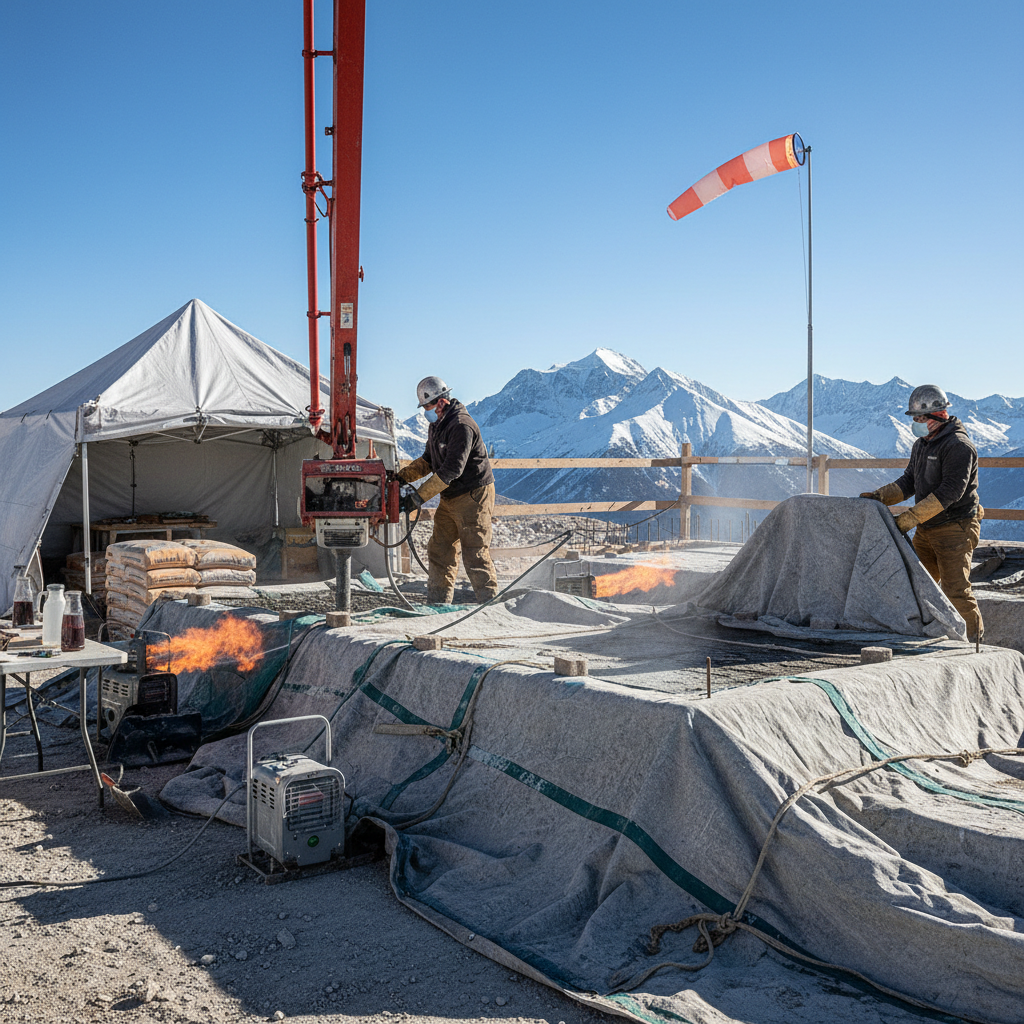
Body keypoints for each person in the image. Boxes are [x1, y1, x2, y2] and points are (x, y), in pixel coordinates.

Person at [860, 383, 984, 641]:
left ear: (936, 416)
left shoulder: (958, 446)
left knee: (956, 592)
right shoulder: (922, 444)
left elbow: (951, 491)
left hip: (955, 528)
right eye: (914, 419)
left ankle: (973, 645)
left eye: (919, 418)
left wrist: (909, 518)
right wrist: (880, 497)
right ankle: (924, 637)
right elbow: (909, 481)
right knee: (917, 585)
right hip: (927, 528)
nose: (915, 423)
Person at [396, 376, 498, 605]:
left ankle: (490, 606)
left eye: (427, 407)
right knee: (440, 550)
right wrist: (401, 477)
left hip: (473, 495)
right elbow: (428, 460)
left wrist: (417, 498)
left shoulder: (461, 425)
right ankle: (438, 604)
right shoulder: (437, 425)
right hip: (450, 495)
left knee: (475, 553)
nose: (426, 412)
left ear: (441, 402)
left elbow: (451, 470)